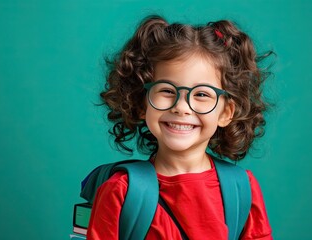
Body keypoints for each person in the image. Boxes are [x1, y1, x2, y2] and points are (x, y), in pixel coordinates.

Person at [87, 15, 273, 239]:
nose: (181, 107)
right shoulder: (120, 191)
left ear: (226, 113)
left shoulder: (243, 188)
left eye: (202, 94)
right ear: (142, 103)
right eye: (166, 90)